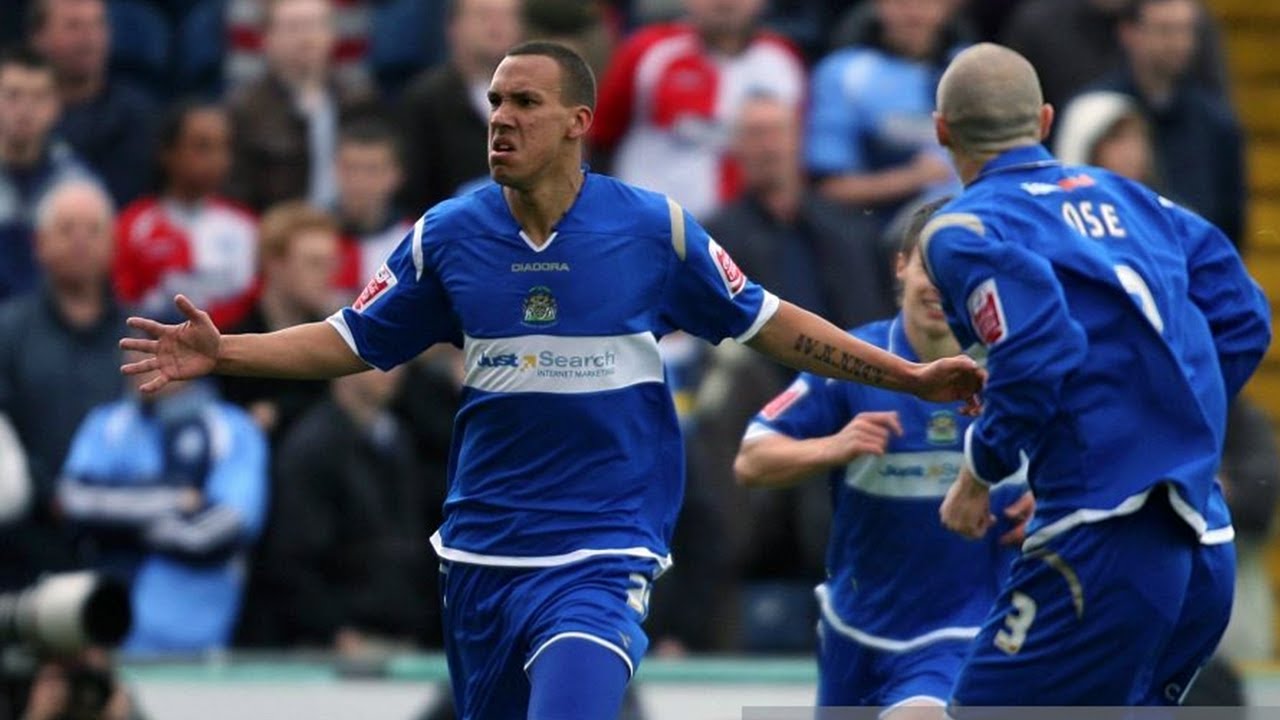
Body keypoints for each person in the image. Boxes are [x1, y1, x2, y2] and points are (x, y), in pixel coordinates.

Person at [120, 41, 983, 718]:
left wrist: (906, 377)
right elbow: (349, 339)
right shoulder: (447, 235)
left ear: (577, 121)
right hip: (482, 553)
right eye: (495, 101)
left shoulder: (655, 231)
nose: (501, 117)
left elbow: (772, 324)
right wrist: (223, 352)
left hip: (602, 551)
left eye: (524, 102)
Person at [923, 43, 1269, 707]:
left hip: (1105, 532)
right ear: (1045, 120)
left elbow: (1040, 344)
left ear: (942, 131)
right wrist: (1171, 418)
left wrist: (979, 471)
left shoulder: (961, 229)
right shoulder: (1138, 201)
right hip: (1204, 538)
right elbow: (1244, 314)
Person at [735, 197, 1031, 714]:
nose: (939, 288)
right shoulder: (857, 362)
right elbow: (751, 461)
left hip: (965, 629)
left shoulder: (1014, 370)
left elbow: (1102, 454)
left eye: (955, 272)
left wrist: (1053, 502)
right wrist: (832, 446)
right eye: (927, 268)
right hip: (856, 630)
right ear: (901, 265)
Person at [58, 356, 268, 655]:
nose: (141, 362)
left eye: (156, 348)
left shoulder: (232, 428)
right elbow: (74, 500)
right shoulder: (107, 422)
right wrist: (173, 498)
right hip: (105, 627)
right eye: (134, 348)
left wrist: (119, 528)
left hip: (196, 631)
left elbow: (227, 525)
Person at [262, 366, 442, 653]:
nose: (394, 371)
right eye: (380, 359)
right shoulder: (312, 447)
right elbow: (291, 555)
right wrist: (333, 630)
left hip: (400, 635)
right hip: (336, 648)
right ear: (342, 365)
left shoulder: (397, 440)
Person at [0, 179, 125, 588]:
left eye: (93, 230)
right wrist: (47, 492)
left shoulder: (143, 331)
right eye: (66, 229)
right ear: (40, 244)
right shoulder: (9, 331)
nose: (80, 241)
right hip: (27, 535)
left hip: (129, 531)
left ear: (112, 243)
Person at [591, 0, 806, 219]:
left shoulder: (783, 58)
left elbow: (793, 150)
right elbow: (600, 137)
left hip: (746, 236)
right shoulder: (648, 51)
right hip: (650, 224)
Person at [1090, 0, 1246, 247]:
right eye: (1165, 30)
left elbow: (1231, 220)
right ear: (1129, 33)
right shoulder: (1097, 111)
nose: (1178, 43)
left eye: (1186, 30)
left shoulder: (1216, 121)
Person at [808, 0, 966, 226]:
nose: (914, 13)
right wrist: (913, 178)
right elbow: (829, 188)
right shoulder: (844, 75)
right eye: (902, 4)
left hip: (973, 230)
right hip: (882, 236)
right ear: (880, 6)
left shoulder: (975, 66)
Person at [114, 101, 259, 331]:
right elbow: (123, 299)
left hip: (230, 350)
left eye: (224, 147)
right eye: (202, 147)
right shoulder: (133, 226)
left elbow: (252, 299)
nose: (217, 159)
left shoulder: (246, 226)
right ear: (168, 153)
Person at [226, 0, 377, 212]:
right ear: (266, 38)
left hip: (351, 234)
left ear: (333, 34)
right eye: (293, 27)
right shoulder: (244, 111)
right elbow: (238, 193)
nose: (306, 38)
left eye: (316, 25)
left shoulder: (359, 104)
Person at [29, 0, 158, 207]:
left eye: (97, 25)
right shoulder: (17, 115)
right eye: (73, 26)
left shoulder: (135, 115)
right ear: (39, 38)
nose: (88, 37)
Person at [398, 0, 523, 214]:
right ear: (453, 27)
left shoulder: (538, 97)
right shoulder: (425, 101)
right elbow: (414, 190)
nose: (496, 26)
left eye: (507, 16)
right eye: (484, 16)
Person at [0, 46, 94, 302]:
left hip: (51, 327)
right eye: (13, 95)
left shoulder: (78, 185)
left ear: (55, 106)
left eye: (38, 97)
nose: (25, 108)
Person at [331, 118, 412, 298]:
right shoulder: (309, 238)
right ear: (335, 169)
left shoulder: (412, 244)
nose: (359, 182)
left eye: (372, 170)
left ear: (396, 175)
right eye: (350, 168)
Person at [1053, 90, 1159, 187]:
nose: (1132, 151)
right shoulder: (1053, 205)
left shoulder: (1162, 206)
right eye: (1117, 138)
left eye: (1138, 137)